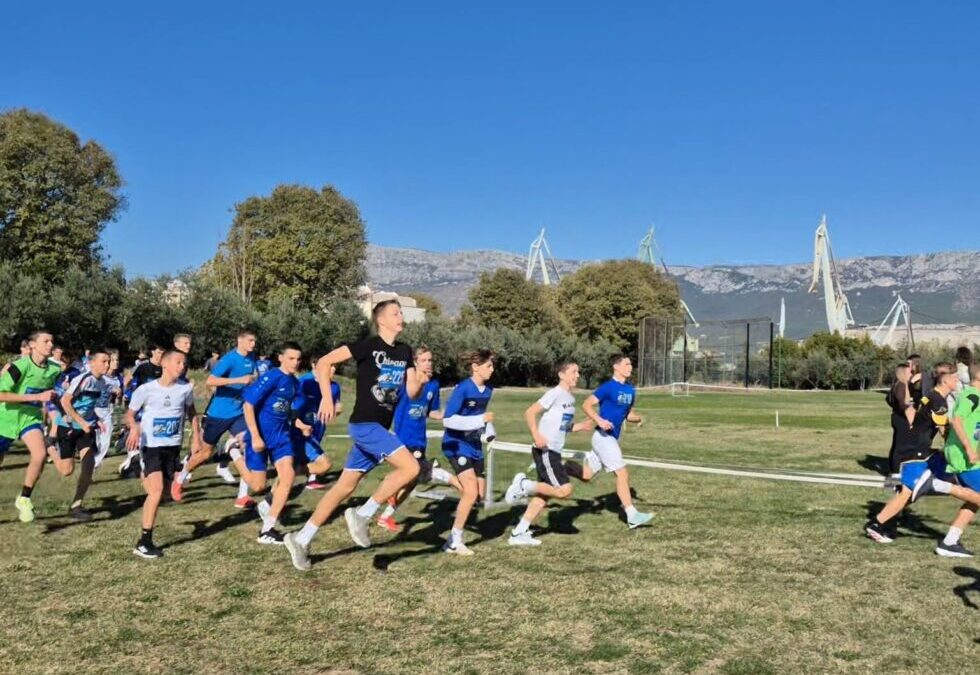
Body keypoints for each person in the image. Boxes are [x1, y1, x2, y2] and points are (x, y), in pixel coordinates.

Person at [282, 300, 424, 572]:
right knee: (411, 468)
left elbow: (413, 392)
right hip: (364, 424)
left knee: (344, 487)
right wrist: (325, 396)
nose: (401, 317)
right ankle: (363, 514)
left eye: (401, 313)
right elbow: (324, 362)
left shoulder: (405, 351)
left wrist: (420, 377)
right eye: (396, 313)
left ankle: (300, 539)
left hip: (378, 429)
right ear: (381, 320)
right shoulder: (368, 345)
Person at [865, 362, 980, 544]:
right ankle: (877, 524)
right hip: (914, 452)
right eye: (955, 377)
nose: (957, 380)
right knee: (907, 491)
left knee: (908, 491)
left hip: (916, 450)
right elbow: (945, 431)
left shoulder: (931, 397)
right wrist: (962, 443)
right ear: (945, 380)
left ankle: (885, 523)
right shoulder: (939, 402)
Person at [220, 342, 303, 544]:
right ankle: (233, 452)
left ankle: (268, 529)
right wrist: (255, 437)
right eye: (291, 358)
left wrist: (299, 422)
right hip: (260, 435)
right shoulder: (272, 376)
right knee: (258, 486)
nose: (295, 362)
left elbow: (287, 409)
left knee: (288, 476)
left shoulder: (294, 382)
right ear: (281, 358)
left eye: (298, 359)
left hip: (281, 437)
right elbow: (248, 405)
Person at [504, 361, 593, 546]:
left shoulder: (570, 399)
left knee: (542, 497)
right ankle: (524, 485)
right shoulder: (555, 393)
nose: (577, 375)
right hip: (546, 450)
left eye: (578, 371)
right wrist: (536, 435)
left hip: (554, 451)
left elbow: (563, 426)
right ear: (561, 374)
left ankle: (518, 533)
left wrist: (579, 426)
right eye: (573, 371)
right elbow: (530, 412)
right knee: (564, 490)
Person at [126, 349, 200, 559]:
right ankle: (144, 541)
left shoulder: (185, 389)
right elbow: (129, 415)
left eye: (184, 363)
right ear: (164, 364)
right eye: (178, 362)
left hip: (172, 446)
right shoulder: (146, 389)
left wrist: (196, 437)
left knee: (165, 495)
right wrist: (134, 427)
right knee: (156, 492)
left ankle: (145, 474)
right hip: (151, 445)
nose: (182, 366)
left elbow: (191, 413)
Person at [566, 354, 654, 529]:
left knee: (587, 475)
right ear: (616, 366)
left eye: (631, 364)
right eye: (627, 364)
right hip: (603, 438)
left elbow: (627, 414)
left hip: (612, 438)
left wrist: (638, 418)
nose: (630, 367)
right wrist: (599, 420)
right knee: (622, 473)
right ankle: (632, 515)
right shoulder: (607, 387)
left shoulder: (630, 390)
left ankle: (562, 467)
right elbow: (586, 405)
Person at [173, 331, 257, 504]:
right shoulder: (229, 359)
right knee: (204, 453)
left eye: (255, 341)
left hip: (239, 413)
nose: (253, 344)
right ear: (239, 340)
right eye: (250, 340)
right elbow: (210, 380)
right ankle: (180, 478)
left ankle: (242, 496)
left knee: (249, 446)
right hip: (219, 413)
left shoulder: (252, 358)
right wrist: (238, 380)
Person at [377, 345, 453, 532]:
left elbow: (432, 412)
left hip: (420, 439)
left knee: (413, 482)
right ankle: (391, 487)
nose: (428, 364)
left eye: (430, 360)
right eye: (424, 360)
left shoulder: (433, 384)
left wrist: (450, 413)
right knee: (415, 473)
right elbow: (387, 399)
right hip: (404, 438)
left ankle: (385, 516)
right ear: (415, 363)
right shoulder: (405, 382)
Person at [0, 331, 61, 523]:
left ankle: (24, 498)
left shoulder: (54, 369)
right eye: (46, 341)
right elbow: (1, 395)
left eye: (52, 341)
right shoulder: (19, 367)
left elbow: (51, 395)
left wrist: (61, 412)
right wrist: (36, 397)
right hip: (5, 418)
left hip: (30, 419)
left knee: (40, 454)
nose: (51, 344)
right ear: (33, 345)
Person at [440, 349, 496, 555]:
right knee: (471, 491)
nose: (493, 369)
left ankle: (450, 539)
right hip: (455, 444)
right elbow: (448, 420)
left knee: (478, 495)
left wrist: (489, 432)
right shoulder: (463, 388)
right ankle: (456, 540)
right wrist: (480, 421)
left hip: (474, 446)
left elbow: (483, 417)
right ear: (475, 367)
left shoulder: (489, 389)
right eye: (489, 365)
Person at [49, 348, 111, 521]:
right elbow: (65, 401)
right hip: (68, 425)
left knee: (89, 463)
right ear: (92, 363)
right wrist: (80, 421)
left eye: (109, 361)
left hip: (85, 428)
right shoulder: (83, 379)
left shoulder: (102, 382)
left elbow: (88, 405)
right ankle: (50, 448)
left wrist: (95, 419)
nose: (107, 364)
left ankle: (76, 506)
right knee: (66, 470)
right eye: (104, 361)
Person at [936, 363, 980, 557]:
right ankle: (938, 486)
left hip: (971, 457)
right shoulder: (972, 396)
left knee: (974, 501)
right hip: (964, 457)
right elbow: (957, 420)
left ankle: (949, 541)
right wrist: (969, 449)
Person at [298, 356, 341, 491]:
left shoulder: (334, 386)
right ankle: (287, 473)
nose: (333, 368)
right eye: (330, 365)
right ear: (314, 365)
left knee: (309, 458)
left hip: (319, 425)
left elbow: (337, 405)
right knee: (323, 463)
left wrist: (336, 409)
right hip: (303, 429)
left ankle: (311, 480)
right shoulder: (304, 382)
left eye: (335, 365)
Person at [93, 349, 123, 468]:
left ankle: (96, 462)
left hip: (107, 410)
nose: (115, 362)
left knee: (107, 436)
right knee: (97, 439)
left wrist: (119, 395)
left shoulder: (118, 378)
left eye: (117, 360)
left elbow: (117, 399)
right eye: (112, 360)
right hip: (94, 410)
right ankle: (92, 460)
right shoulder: (100, 376)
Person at [887, 363, 915, 475]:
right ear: (903, 373)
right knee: (900, 445)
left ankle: (895, 468)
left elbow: (888, 399)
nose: (911, 374)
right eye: (909, 372)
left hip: (897, 416)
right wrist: (910, 405)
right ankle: (896, 471)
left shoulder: (899, 384)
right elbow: (902, 403)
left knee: (897, 443)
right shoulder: (901, 385)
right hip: (901, 418)